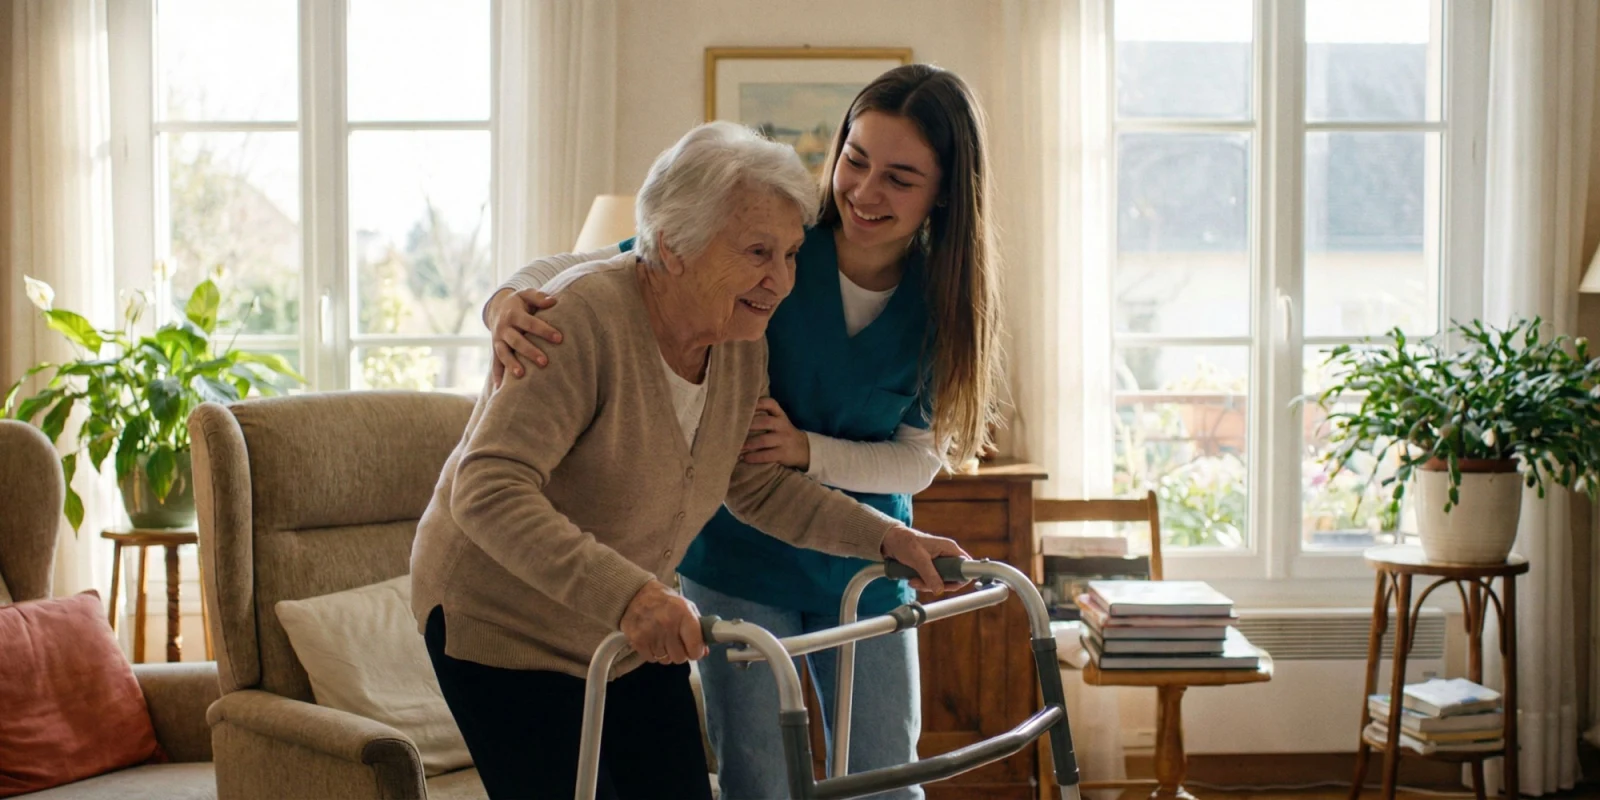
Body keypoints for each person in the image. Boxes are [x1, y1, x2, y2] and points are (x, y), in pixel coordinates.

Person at [484, 65, 1001, 799]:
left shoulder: (944, 302)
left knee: (886, 775)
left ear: (944, 192)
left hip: (859, 556)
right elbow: (614, 260)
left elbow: (917, 462)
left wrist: (805, 451)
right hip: (738, 555)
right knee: (758, 775)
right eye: (855, 159)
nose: (864, 191)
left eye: (900, 178)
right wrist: (504, 299)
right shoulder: (776, 243)